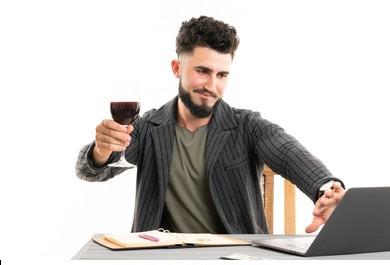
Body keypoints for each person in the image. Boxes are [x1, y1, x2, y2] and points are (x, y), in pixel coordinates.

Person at [76, 15, 345, 234]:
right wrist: (101, 149)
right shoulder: (148, 127)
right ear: (176, 68)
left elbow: (288, 152)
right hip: (158, 262)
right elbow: (90, 172)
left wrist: (325, 189)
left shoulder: (247, 126)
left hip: (237, 263)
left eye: (222, 75)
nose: (212, 86)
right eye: (202, 71)